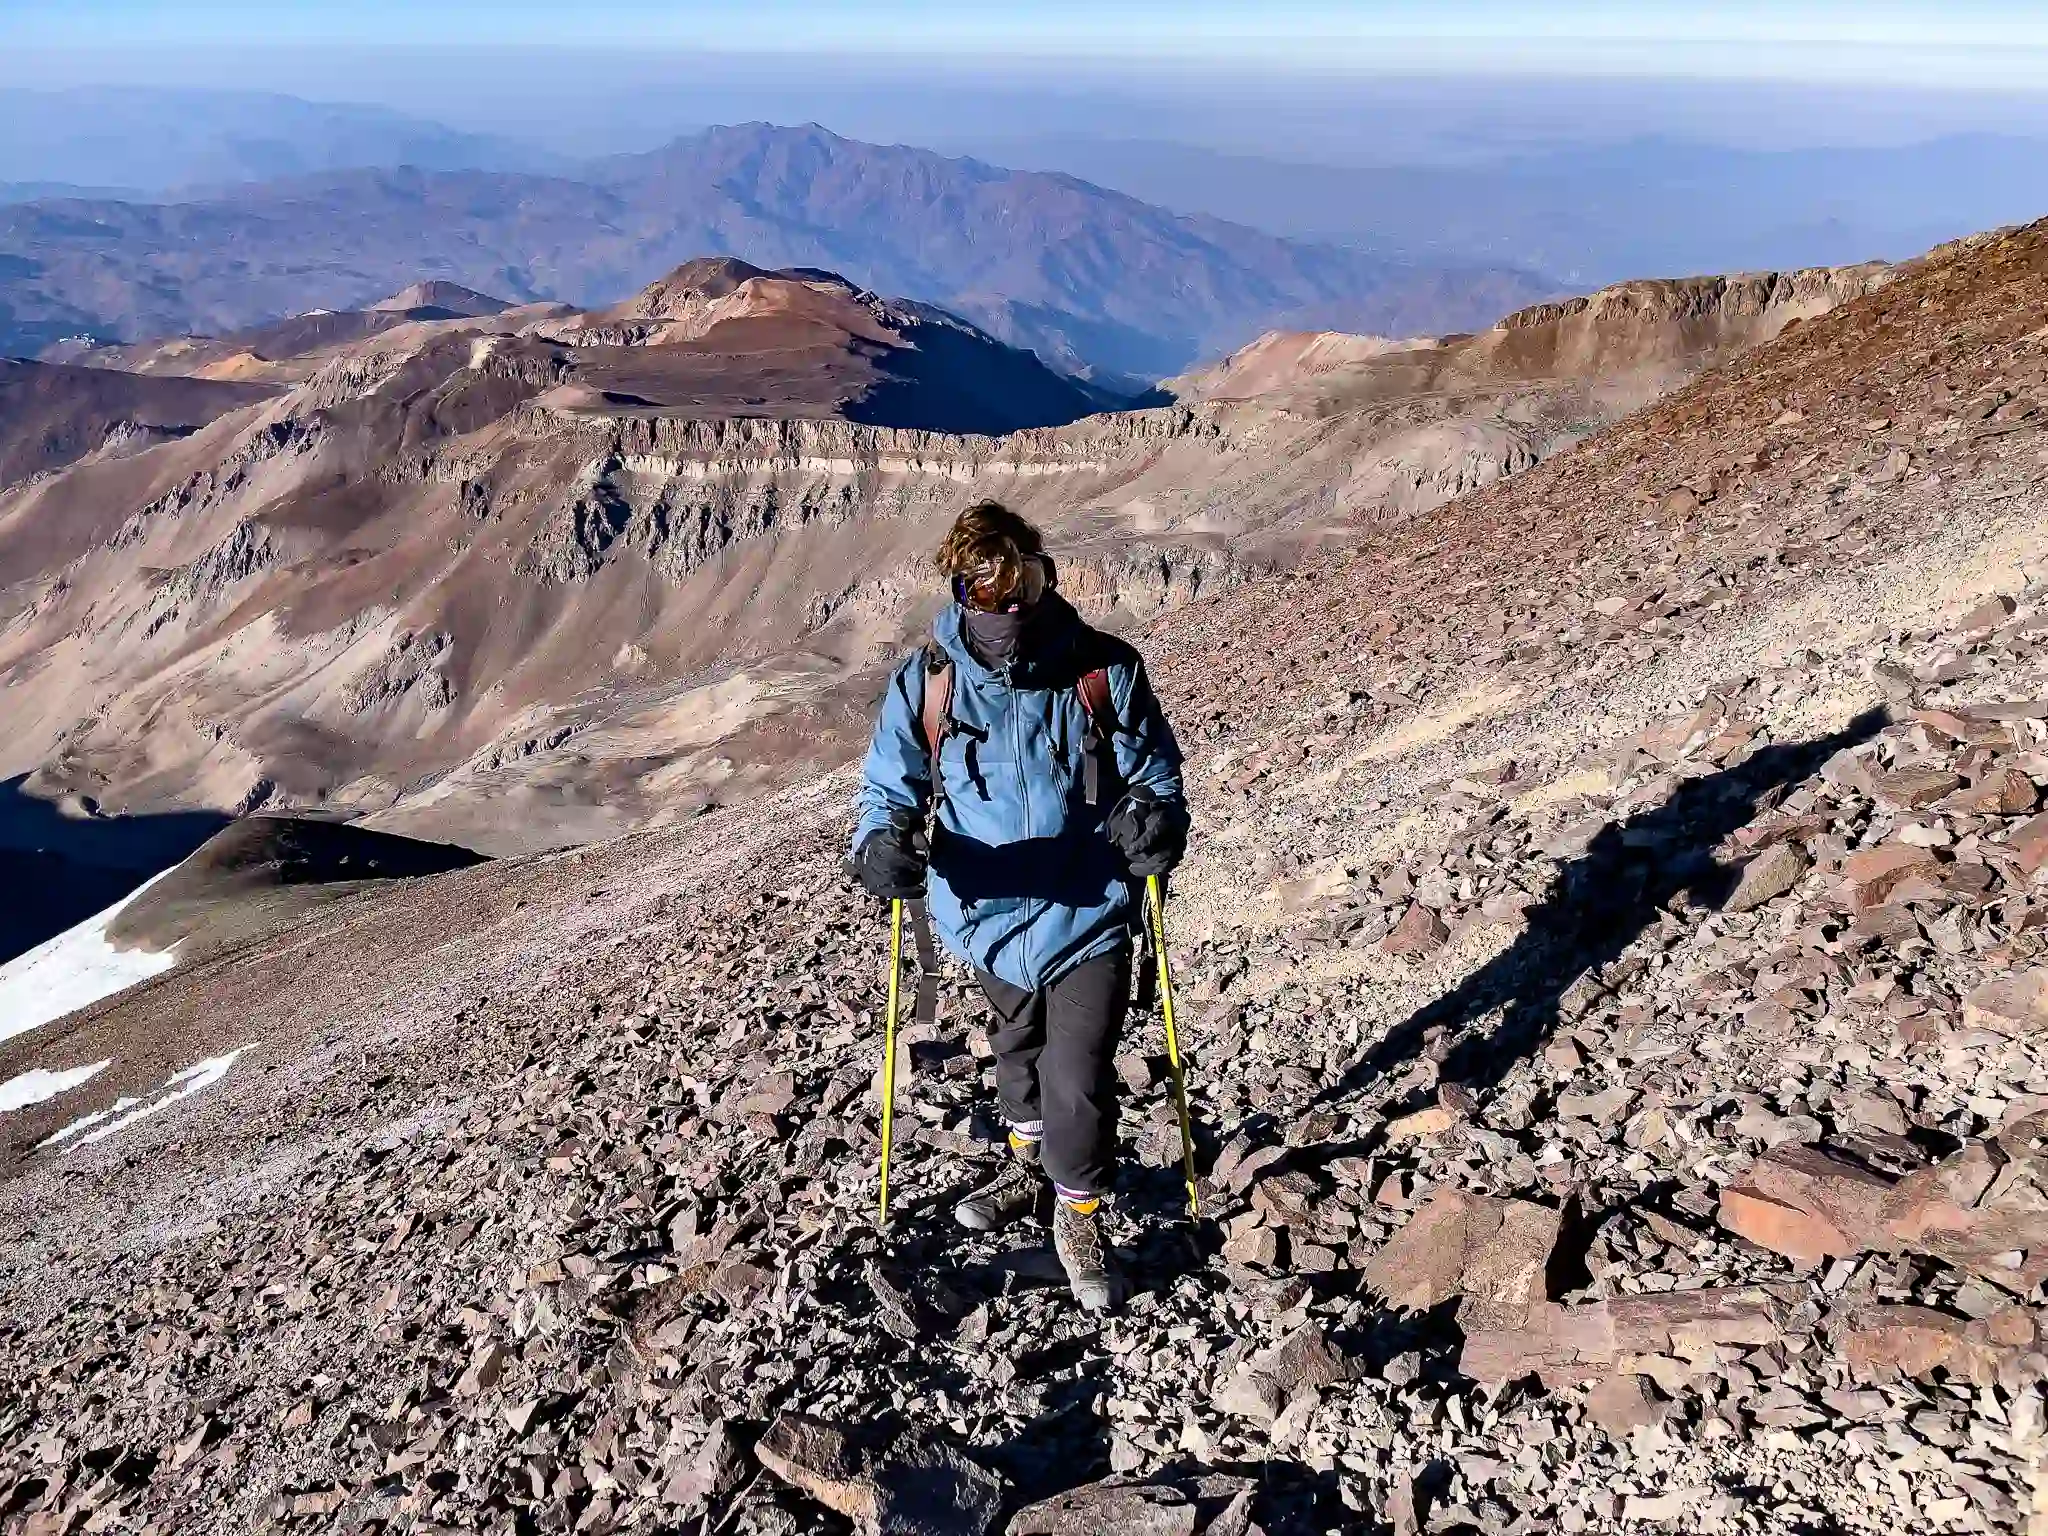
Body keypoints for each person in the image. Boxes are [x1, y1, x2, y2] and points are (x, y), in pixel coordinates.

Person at [850, 501, 1190, 1311]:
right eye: (989, 591)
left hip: (1089, 905)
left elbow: (1157, 773)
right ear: (961, 590)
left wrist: (1157, 821)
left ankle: (1077, 1211)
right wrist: (881, 845)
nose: (1009, 607)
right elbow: (887, 788)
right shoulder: (927, 681)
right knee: (1019, 1053)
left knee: (1079, 1072)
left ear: (1044, 577)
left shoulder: (1102, 670)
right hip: (985, 911)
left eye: (1023, 585)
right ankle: (1025, 1166)